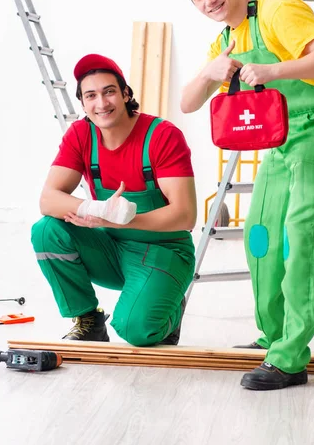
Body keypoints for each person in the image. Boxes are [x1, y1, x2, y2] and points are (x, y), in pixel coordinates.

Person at [177, 0, 314, 390]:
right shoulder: (225, 41)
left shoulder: (279, 11)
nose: (208, 1)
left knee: (300, 234)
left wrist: (271, 71)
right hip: (280, 137)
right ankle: (273, 337)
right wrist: (208, 71)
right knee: (260, 233)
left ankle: (292, 357)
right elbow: (187, 103)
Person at [31, 53, 196, 346]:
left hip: (163, 252)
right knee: (46, 230)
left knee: (136, 331)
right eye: (91, 95)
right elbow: (48, 199)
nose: (101, 103)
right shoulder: (82, 134)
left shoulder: (162, 136)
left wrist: (122, 219)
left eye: (109, 92)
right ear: (82, 102)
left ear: (125, 94)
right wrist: (94, 210)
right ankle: (89, 320)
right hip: (110, 249)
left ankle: (171, 312)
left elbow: (185, 216)